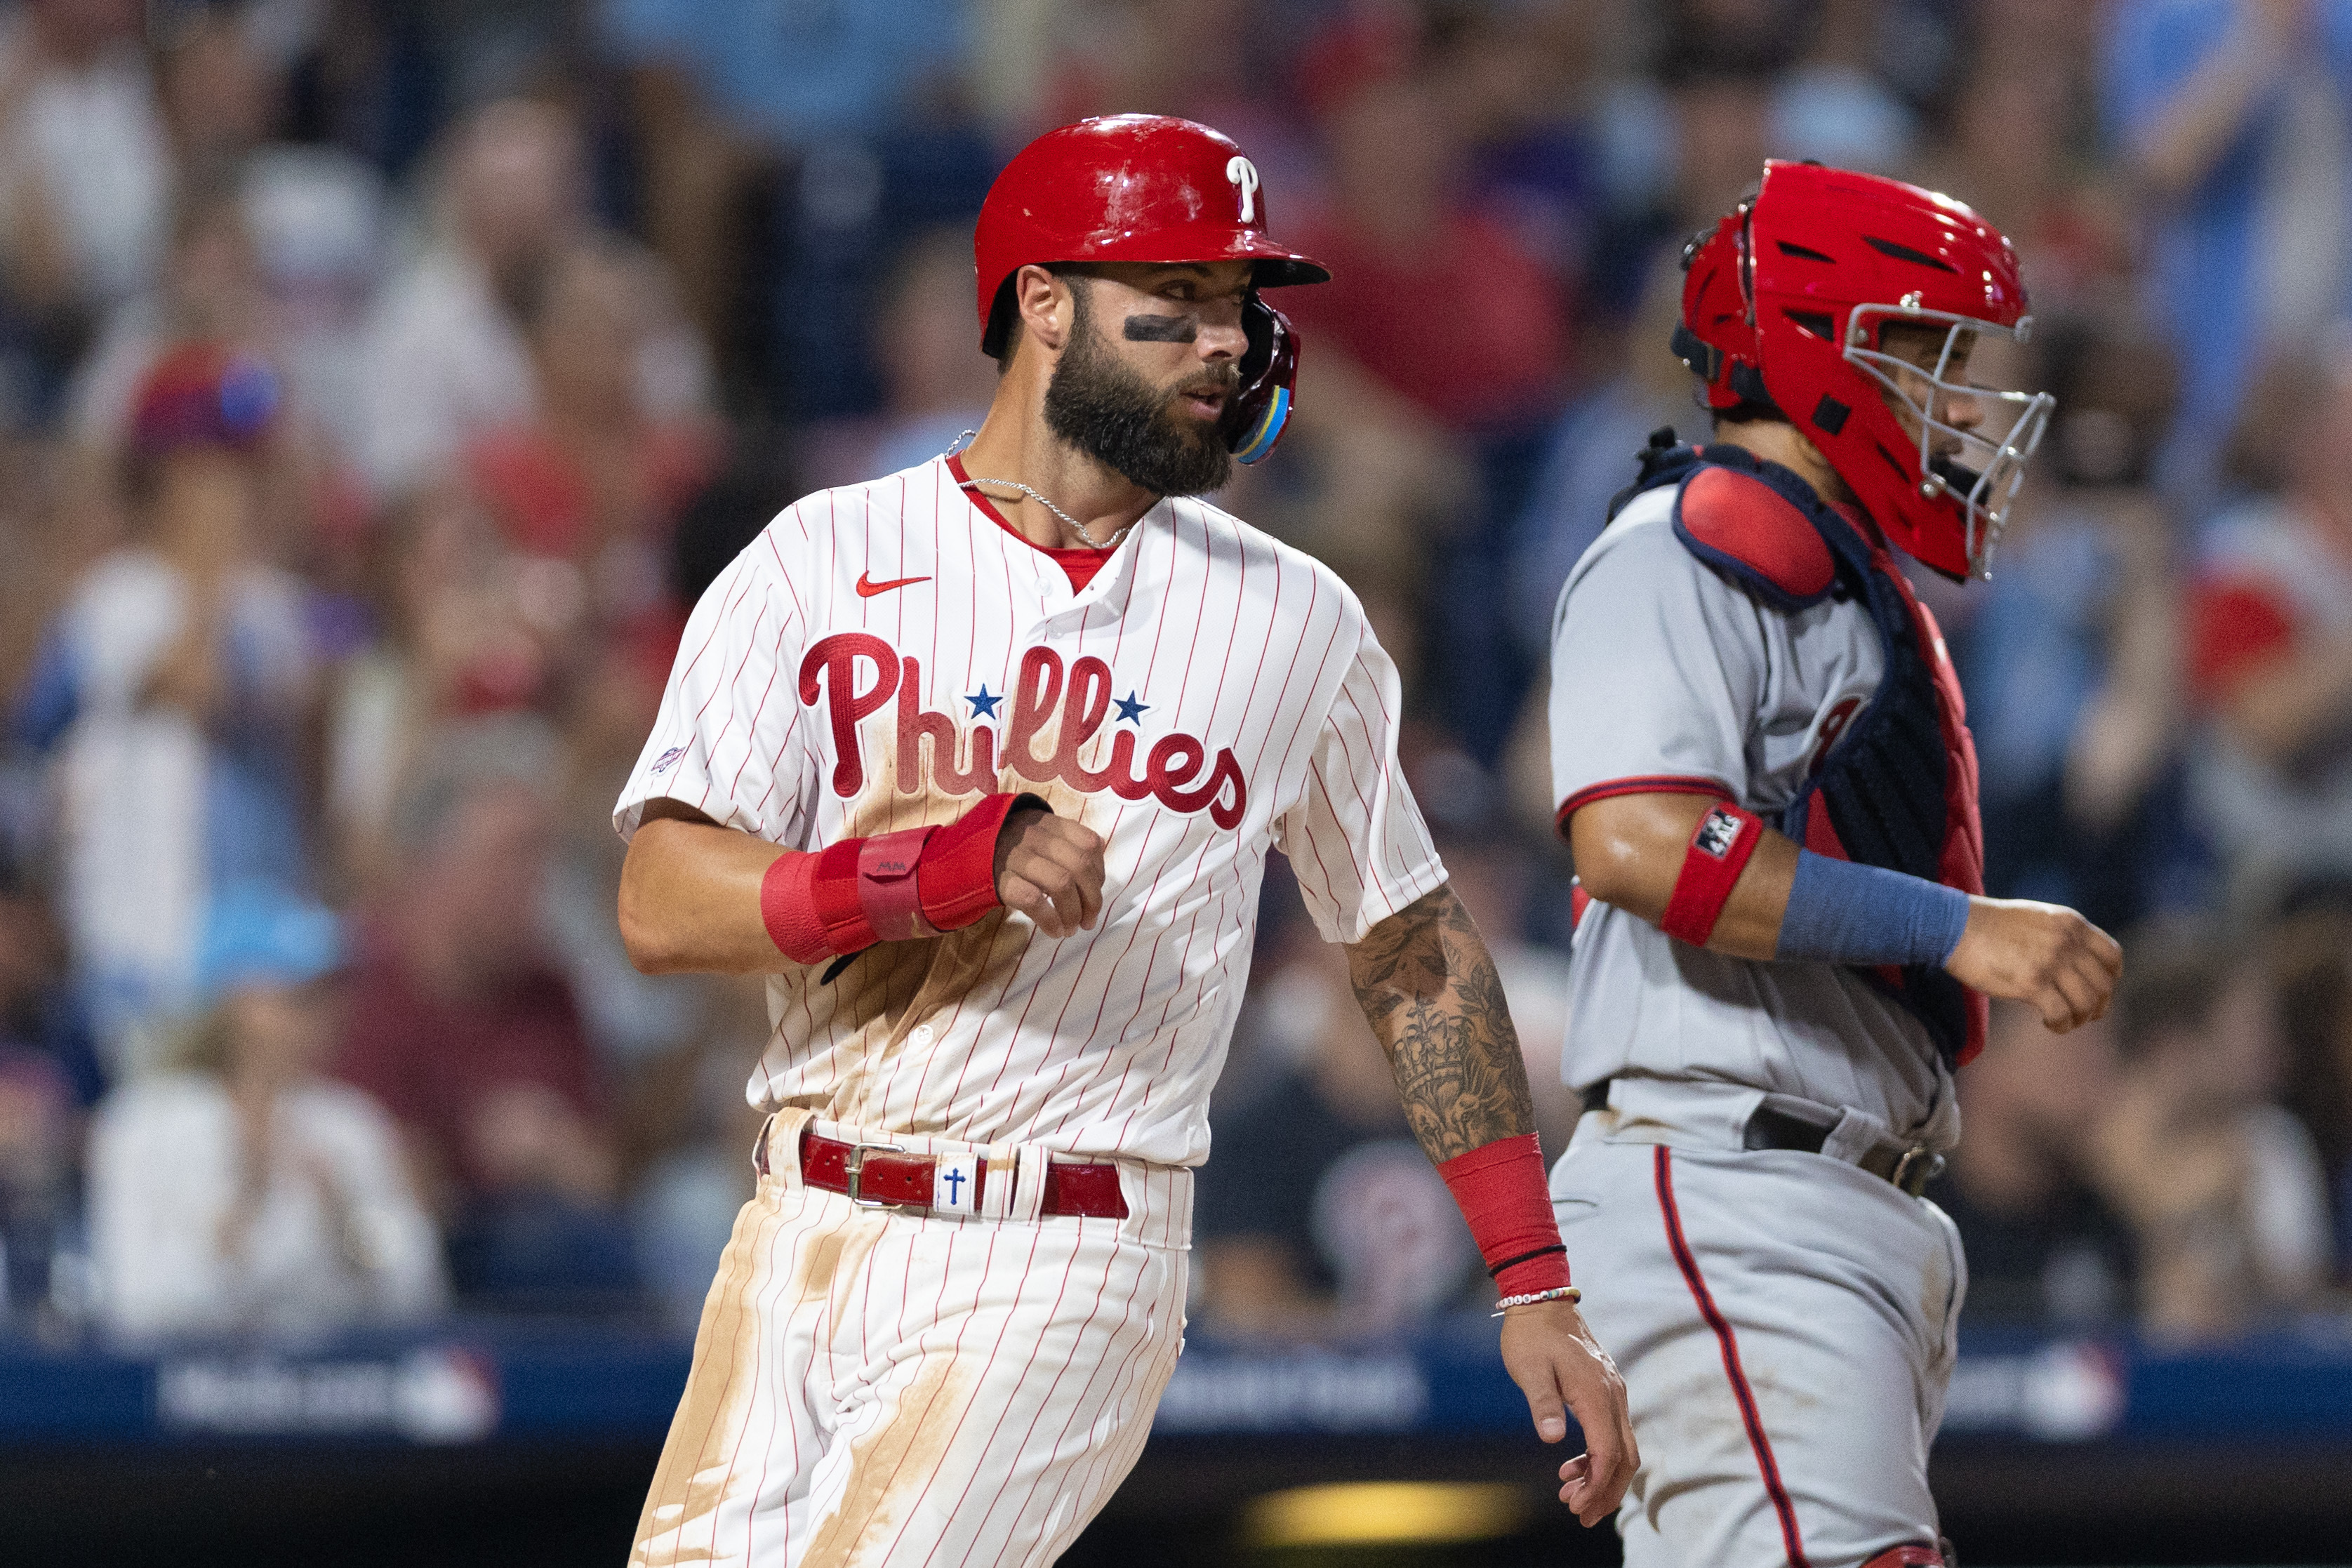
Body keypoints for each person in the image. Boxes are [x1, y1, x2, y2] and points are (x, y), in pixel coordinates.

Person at [613, 115, 1637, 1567]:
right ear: (1042, 303)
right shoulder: (817, 558)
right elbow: (659, 898)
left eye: (1238, 301)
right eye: (1181, 297)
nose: (1226, 342)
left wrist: (1534, 1279)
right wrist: (926, 872)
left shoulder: (1295, 621)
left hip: (1067, 1238)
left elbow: (1411, 952)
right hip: (798, 1218)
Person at [1545, 161, 2122, 1568]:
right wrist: (1949, 926)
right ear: (1815, 348)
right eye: (1923, 354)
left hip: (1833, 1192)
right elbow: (1635, 840)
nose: (1960, 401)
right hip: (1733, 1173)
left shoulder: (1833, 570)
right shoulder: (1678, 548)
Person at [86, 882, 444, 1342]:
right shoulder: (144, 1124)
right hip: (188, 1393)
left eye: (332, 993)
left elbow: (419, 1292)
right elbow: (135, 1304)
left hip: (338, 1392)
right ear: (238, 1000)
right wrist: (241, 1216)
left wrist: (350, 1228)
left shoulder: (352, 1124)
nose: (327, 1013)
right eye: (301, 995)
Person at [2092, 924, 2329, 1341]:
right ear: (2175, 1044)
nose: (2269, 1045)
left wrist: (2235, 1214)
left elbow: (2299, 1303)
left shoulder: (2270, 1141)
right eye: (2247, 1027)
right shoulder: (2088, 1136)